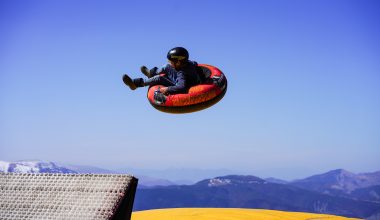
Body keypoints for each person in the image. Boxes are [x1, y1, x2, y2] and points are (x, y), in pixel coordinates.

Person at [123, 47, 201, 95]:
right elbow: (195, 63)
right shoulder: (189, 63)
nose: (169, 62)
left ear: (178, 62)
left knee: (159, 78)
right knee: (167, 66)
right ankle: (151, 73)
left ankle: (136, 84)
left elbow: (181, 87)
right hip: (188, 79)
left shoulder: (182, 74)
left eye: (171, 61)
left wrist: (167, 89)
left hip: (186, 85)